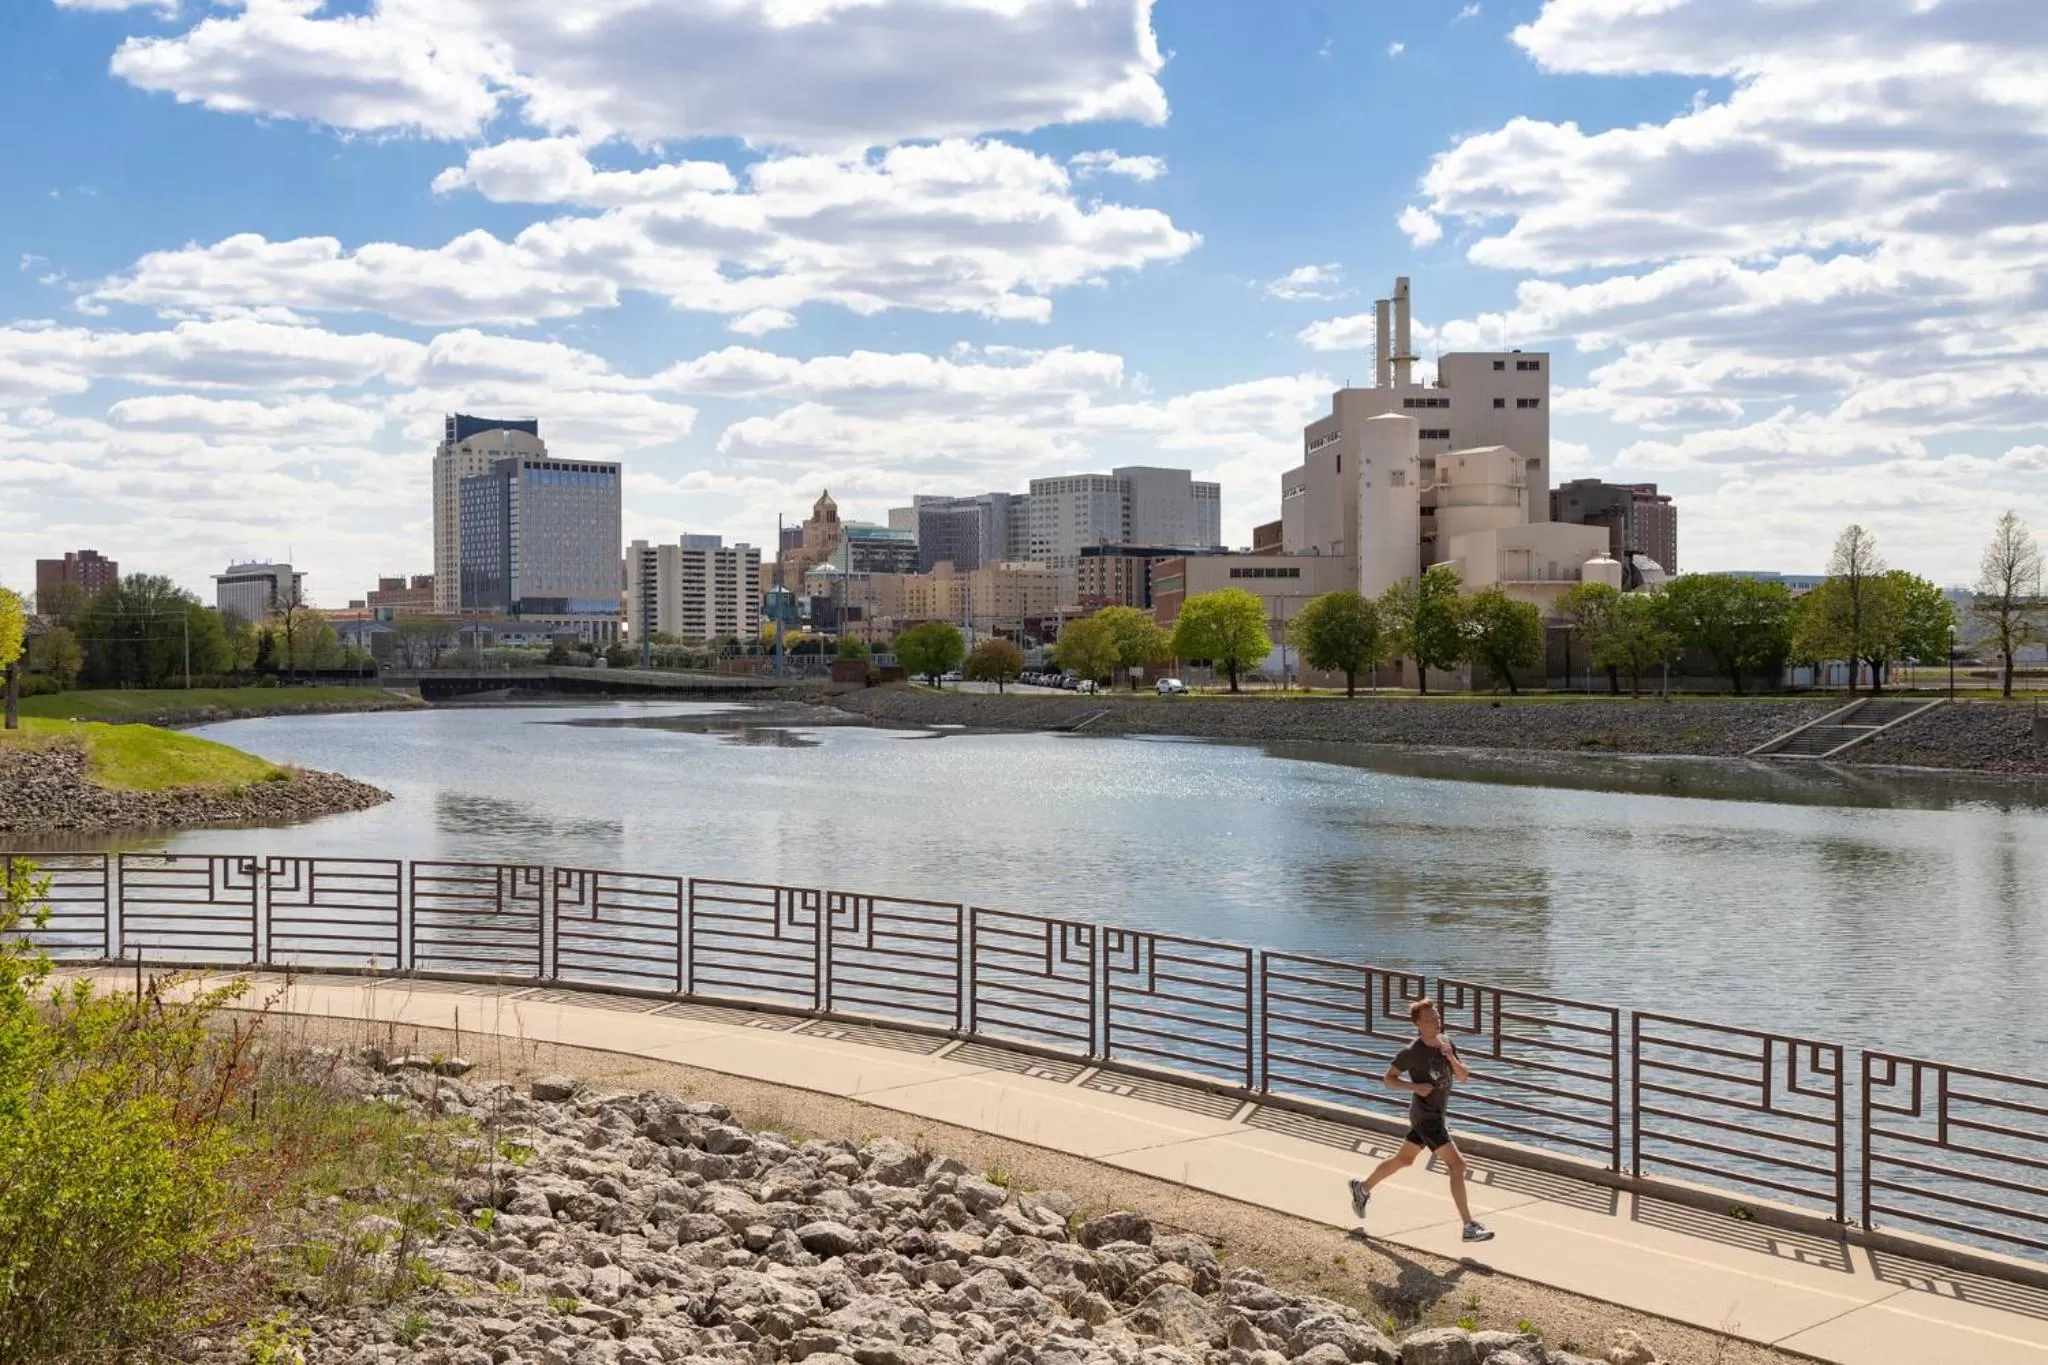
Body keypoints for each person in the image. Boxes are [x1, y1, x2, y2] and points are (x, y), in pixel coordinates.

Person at [1348, 996, 1494, 1242]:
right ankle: (1469, 1226)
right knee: (1458, 1166)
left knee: (1404, 1160)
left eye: (1437, 1017)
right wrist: (1414, 1087)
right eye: (1429, 1019)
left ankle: (1361, 1188)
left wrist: (1451, 1057)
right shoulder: (1412, 1052)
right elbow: (1389, 1079)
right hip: (1426, 1118)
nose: (1436, 1022)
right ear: (1418, 1024)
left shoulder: (1446, 1042)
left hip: (1436, 1114)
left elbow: (1464, 1076)